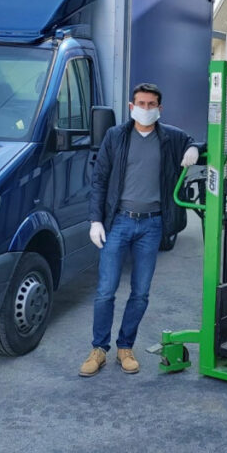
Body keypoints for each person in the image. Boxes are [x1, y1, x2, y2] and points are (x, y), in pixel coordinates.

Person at [79, 83, 197, 377]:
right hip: (118, 221)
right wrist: (95, 220)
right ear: (131, 107)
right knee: (105, 291)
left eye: (151, 104)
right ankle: (99, 349)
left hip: (152, 224)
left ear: (160, 108)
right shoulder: (116, 136)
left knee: (141, 293)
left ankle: (125, 348)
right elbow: (100, 179)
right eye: (141, 104)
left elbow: (194, 142)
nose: (146, 109)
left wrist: (193, 149)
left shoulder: (170, 137)